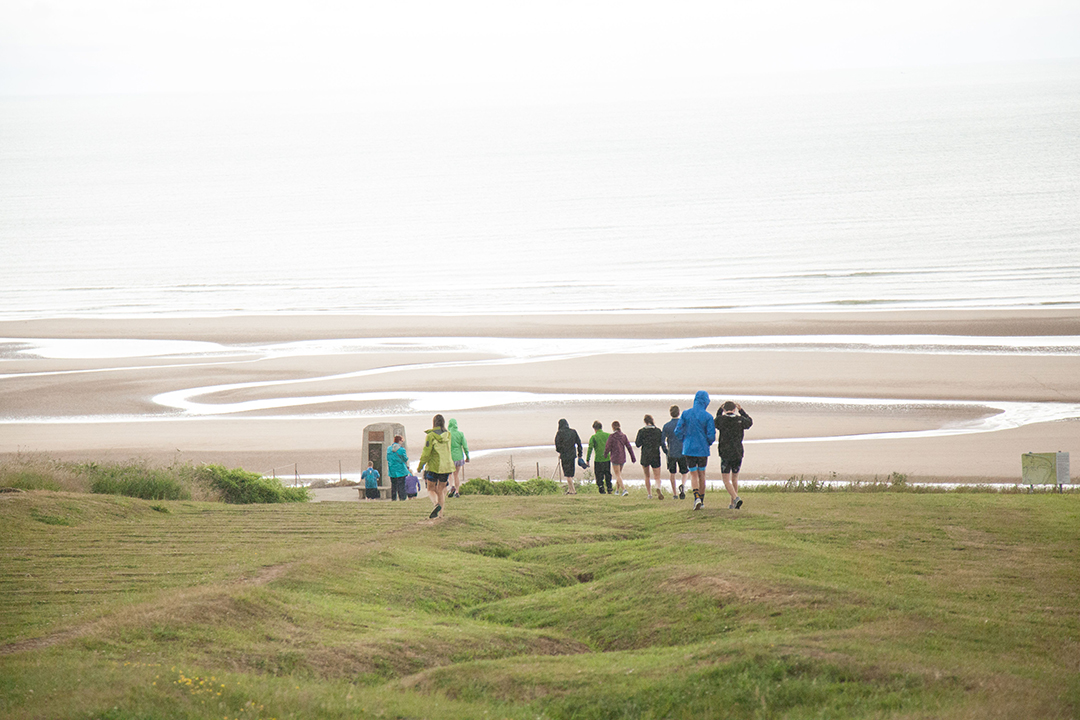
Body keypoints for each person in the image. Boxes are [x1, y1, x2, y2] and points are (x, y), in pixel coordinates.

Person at [674, 390, 716, 510]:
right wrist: (707, 442)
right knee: (702, 474)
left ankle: (696, 497)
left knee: (693, 474)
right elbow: (711, 435)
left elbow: (678, 430)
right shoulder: (708, 416)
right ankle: (701, 501)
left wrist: (684, 440)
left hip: (689, 449)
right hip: (702, 450)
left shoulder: (686, 413)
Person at [715, 401, 753, 509]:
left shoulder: (721, 420)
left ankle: (736, 498)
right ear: (734, 409)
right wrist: (742, 411)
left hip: (725, 452)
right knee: (734, 478)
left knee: (726, 480)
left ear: (724, 410)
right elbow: (749, 422)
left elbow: (716, 421)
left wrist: (719, 410)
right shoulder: (740, 420)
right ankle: (733, 503)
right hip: (737, 452)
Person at [416, 414, 454, 519]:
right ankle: (440, 515)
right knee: (441, 490)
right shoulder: (448, 435)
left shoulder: (431, 436)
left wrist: (420, 466)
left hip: (433, 466)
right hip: (446, 466)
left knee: (430, 489)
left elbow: (426, 453)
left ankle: (436, 504)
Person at [661, 404, 688, 499]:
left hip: (671, 451)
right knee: (684, 472)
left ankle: (675, 493)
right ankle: (683, 485)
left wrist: (666, 451)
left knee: (672, 473)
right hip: (682, 451)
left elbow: (662, 441)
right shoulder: (683, 425)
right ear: (679, 413)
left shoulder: (666, 426)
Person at [635, 414, 665, 499]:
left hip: (645, 455)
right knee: (657, 476)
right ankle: (658, 487)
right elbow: (661, 442)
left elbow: (637, 444)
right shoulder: (658, 431)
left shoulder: (641, 431)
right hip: (655, 454)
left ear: (645, 422)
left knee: (647, 476)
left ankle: (649, 494)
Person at [604, 420, 636, 496]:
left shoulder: (612, 436)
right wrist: (632, 457)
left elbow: (608, 447)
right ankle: (617, 491)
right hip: (622, 457)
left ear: (612, 427)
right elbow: (629, 447)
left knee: (617, 475)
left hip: (615, 457)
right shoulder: (623, 436)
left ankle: (624, 490)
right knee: (619, 474)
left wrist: (605, 454)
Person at [554, 418, 583, 494]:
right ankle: (570, 490)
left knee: (567, 474)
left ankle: (573, 490)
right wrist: (580, 454)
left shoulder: (559, 433)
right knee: (570, 473)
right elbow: (579, 443)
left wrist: (560, 451)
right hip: (572, 455)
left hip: (564, 455)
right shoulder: (573, 432)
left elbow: (557, 445)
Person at [586, 420, 612, 494]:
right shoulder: (608, 435)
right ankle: (609, 488)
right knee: (607, 474)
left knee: (599, 475)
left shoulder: (594, 437)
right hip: (607, 458)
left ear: (594, 429)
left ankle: (601, 488)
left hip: (598, 460)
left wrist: (587, 459)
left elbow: (590, 449)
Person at [447, 418, 470, 498]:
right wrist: (467, 456)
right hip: (459, 457)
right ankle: (457, 491)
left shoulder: (447, 434)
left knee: (449, 474)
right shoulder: (460, 434)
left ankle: (451, 487)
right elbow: (465, 446)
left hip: (450, 457)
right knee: (456, 474)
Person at [386, 434, 410, 502]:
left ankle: (393, 498)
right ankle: (402, 498)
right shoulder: (402, 450)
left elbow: (387, 458)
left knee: (393, 486)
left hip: (392, 470)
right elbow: (405, 459)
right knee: (401, 485)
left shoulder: (389, 449)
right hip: (400, 470)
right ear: (399, 441)